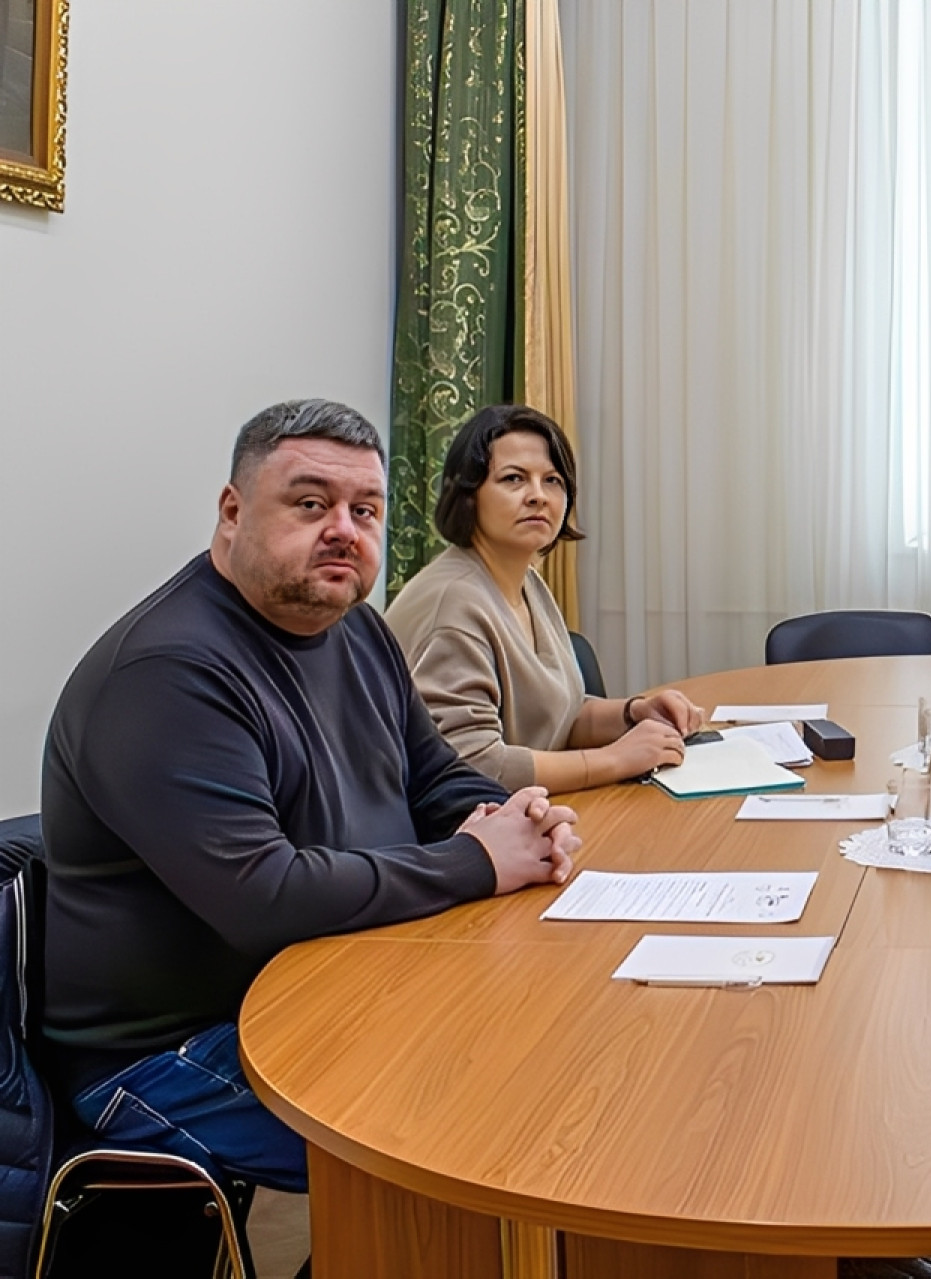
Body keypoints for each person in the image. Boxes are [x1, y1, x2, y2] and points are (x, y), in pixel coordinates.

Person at [40, 400, 581, 1193]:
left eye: (365, 510)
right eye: (309, 503)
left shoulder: (357, 629)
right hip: (169, 1051)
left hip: (337, 978)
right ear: (232, 512)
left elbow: (433, 775)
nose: (343, 530)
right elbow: (264, 895)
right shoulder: (166, 674)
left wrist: (516, 818)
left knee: (545, 1064)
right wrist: (478, 859)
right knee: (464, 1141)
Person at [385, 405, 704, 790]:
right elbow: (473, 766)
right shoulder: (453, 603)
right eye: (514, 478)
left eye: (552, 480)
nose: (538, 496)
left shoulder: (526, 580)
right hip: (460, 823)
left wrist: (632, 713)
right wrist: (615, 759)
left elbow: (557, 718)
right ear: (468, 495)